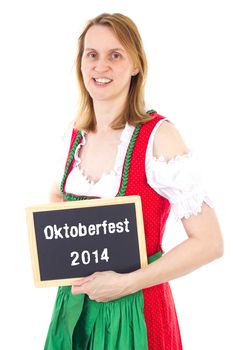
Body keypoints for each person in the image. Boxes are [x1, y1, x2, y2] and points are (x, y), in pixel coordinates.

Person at [44, 12, 224, 350]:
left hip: (137, 313)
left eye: (116, 55)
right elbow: (58, 195)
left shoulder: (159, 136)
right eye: (92, 54)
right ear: (81, 64)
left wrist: (126, 283)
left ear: (136, 65)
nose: (101, 66)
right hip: (76, 310)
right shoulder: (77, 135)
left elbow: (209, 242)